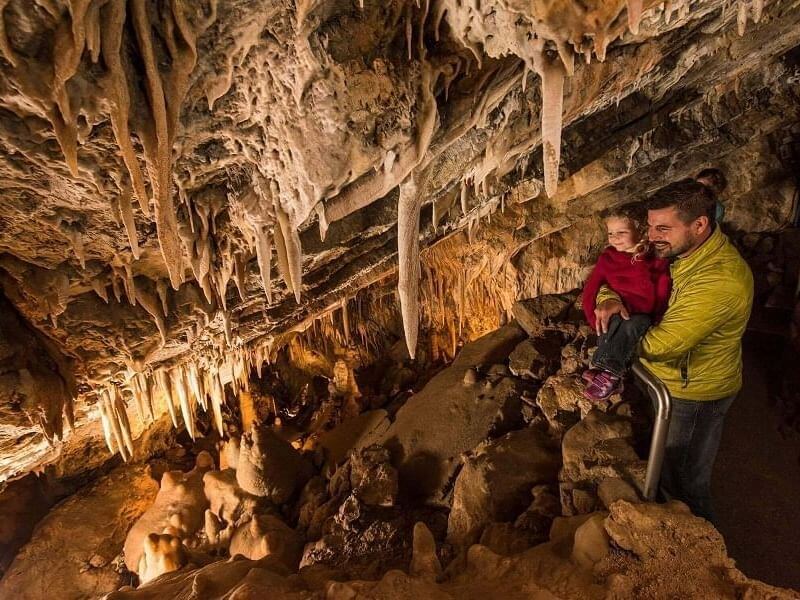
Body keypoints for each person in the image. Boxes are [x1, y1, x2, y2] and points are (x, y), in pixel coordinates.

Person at [594, 178, 754, 523]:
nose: (652, 237)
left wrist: (619, 339)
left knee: (684, 480)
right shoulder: (683, 251)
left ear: (699, 224)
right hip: (673, 381)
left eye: (663, 228)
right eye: (651, 227)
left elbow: (662, 344)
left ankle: (702, 557)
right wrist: (609, 298)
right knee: (666, 462)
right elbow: (620, 277)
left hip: (694, 391)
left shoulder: (719, 280)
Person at [581, 208, 671, 400]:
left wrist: (659, 317)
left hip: (640, 314)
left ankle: (608, 373)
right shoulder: (608, 258)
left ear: (640, 231)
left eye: (621, 232)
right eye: (610, 233)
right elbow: (592, 287)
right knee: (608, 325)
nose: (614, 238)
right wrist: (592, 316)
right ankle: (606, 373)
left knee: (630, 326)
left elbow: (663, 287)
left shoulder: (653, 258)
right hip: (617, 310)